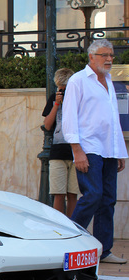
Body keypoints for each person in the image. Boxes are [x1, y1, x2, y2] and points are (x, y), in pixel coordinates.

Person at [62, 39, 128, 264]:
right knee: (93, 195)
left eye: (111, 55)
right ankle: (70, 241)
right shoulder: (78, 81)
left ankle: (104, 251)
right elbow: (70, 116)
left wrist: (119, 150)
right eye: (104, 55)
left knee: (108, 200)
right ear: (91, 57)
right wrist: (77, 151)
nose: (109, 59)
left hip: (108, 148)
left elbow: (112, 119)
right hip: (88, 148)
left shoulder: (109, 81)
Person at [42, 68, 78, 216]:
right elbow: (47, 125)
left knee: (73, 193)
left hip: (76, 152)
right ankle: (60, 226)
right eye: (61, 88)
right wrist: (56, 104)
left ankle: (73, 225)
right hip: (57, 151)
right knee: (58, 193)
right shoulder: (54, 98)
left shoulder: (78, 99)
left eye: (65, 88)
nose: (63, 91)